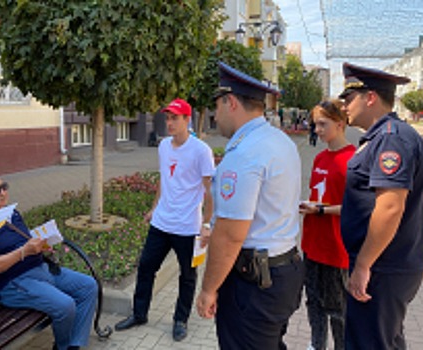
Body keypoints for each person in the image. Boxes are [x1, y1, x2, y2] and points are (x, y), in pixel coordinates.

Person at [196, 62, 304, 349]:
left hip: (254, 285)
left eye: (216, 107)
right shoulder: (279, 140)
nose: (214, 116)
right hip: (284, 270)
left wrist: (208, 289)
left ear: (231, 102)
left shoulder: (245, 153)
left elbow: (231, 235)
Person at [338, 63, 423, 349]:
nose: (343, 106)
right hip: (385, 265)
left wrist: (364, 266)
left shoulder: (391, 138)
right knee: (383, 340)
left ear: (370, 98)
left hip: (383, 268)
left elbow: (390, 207)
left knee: (370, 342)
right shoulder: (382, 136)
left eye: (348, 98)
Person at [114, 98, 214, 342]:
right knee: (146, 267)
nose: (169, 123)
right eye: (167, 118)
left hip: (188, 227)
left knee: (187, 276)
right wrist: (153, 208)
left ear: (187, 120)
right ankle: (139, 314)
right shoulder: (163, 146)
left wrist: (207, 223)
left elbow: (210, 191)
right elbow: (164, 179)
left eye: (175, 118)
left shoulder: (201, 151)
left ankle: (180, 320)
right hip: (161, 222)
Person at [0, 174, 97, 350]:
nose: (2, 193)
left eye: (4, 186)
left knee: (88, 286)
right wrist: (23, 252)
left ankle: (74, 343)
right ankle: (63, 347)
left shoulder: (10, 213)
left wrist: (40, 243)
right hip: (16, 282)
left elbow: (20, 240)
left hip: (42, 269)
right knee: (65, 305)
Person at [299, 99, 356, 350]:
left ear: (340, 123)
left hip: (336, 248)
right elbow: (320, 195)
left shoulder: (353, 160)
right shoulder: (320, 157)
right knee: (313, 303)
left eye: (323, 124)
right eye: (315, 124)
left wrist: (321, 209)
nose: (318, 130)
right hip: (312, 245)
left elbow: (356, 208)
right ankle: (316, 344)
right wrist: (309, 206)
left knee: (338, 310)